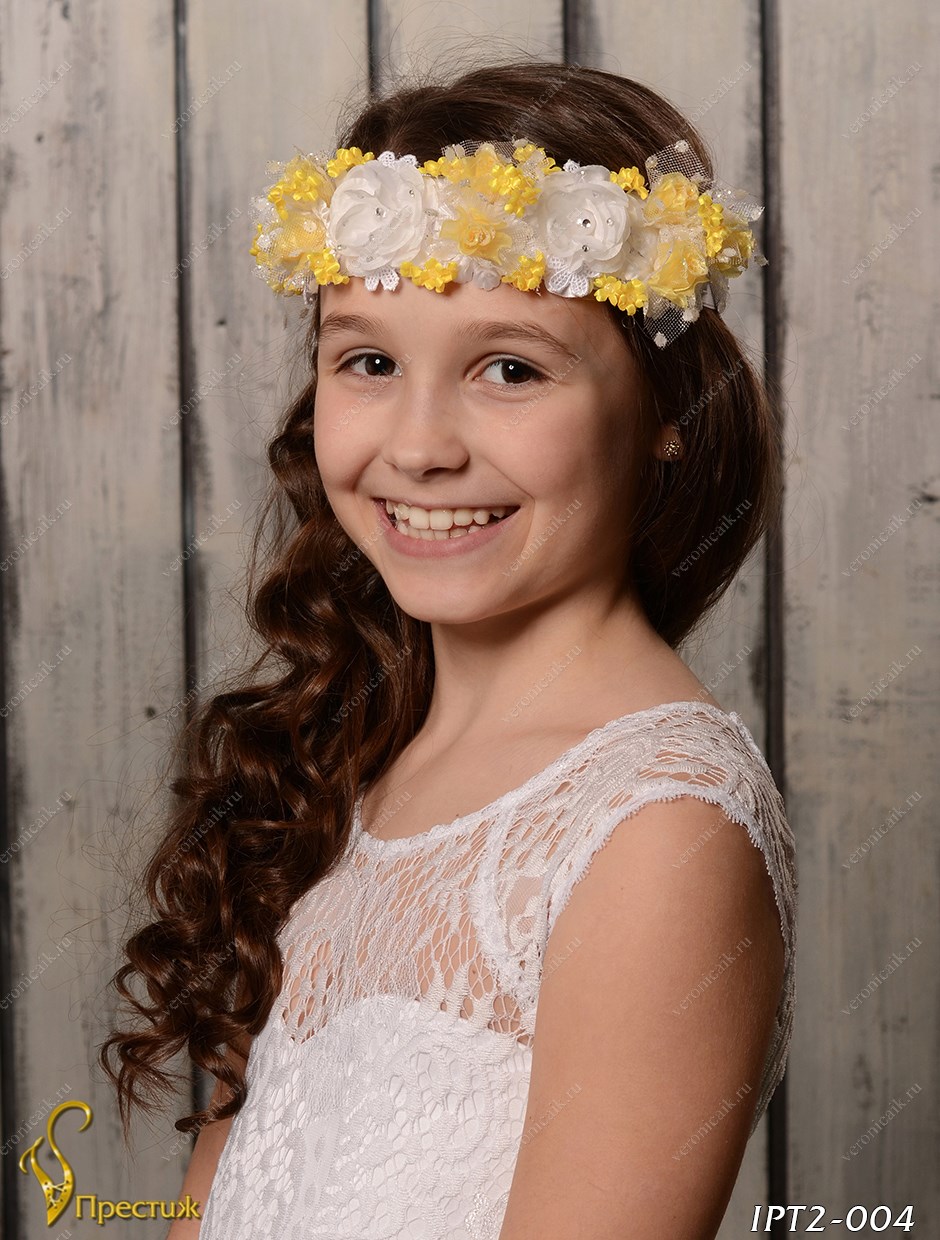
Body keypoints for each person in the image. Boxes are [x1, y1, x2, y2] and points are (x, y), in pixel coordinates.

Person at [100, 58, 796, 1240]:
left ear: (667, 411)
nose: (419, 448)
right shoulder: (337, 768)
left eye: (509, 368)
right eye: (368, 361)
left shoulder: (654, 831)